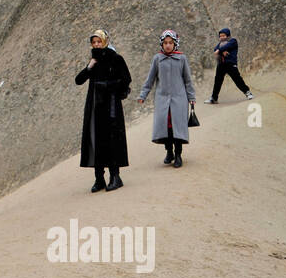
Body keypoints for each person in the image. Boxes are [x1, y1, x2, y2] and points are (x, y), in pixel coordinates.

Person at [75, 30, 132, 192]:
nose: (96, 45)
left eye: (99, 42)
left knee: (112, 139)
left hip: (111, 106)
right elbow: (78, 80)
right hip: (95, 107)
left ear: (105, 41)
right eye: (94, 42)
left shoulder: (115, 58)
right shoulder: (94, 61)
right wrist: (89, 67)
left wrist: (107, 86)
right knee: (96, 140)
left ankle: (115, 177)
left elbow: (126, 79)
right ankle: (99, 178)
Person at [138, 29, 197, 168]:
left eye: (171, 43)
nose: (168, 45)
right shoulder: (157, 59)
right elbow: (150, 79)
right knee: (166, 128)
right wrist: (143, 95)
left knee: (178, 129)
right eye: (165, 43)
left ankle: (178, 155)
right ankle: (169, 152)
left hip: (179, 100)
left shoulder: (182, 58)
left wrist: (191, 96)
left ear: (175, 43)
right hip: (162, 100)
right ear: (162, 44)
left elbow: (188, 80)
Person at [209, 27, 254, 103]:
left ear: (228, 35)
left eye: (223, 35)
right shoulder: (219, 44)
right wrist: (221, 51)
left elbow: (226, 47)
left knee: (237, 79)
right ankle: (214, 98)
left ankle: (247, 92)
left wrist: (220, 50)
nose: (222, 37)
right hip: (221, 65)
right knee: (217, 81)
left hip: (230, 64)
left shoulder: (233, 41)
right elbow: (215, 50)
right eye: (220, 36)